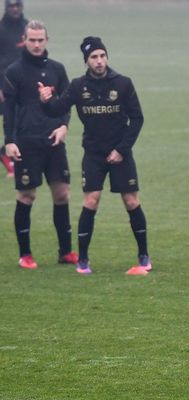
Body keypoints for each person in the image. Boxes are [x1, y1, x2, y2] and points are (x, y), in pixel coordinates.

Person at [39, 36, 151, 276]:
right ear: (86, 61)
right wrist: (45, 101)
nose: (99, 61)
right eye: (94, 57)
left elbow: (137, 119)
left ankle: (144, 255)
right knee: (91, 201)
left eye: (102, 56)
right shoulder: (78, 86)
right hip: (93, 155)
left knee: (131, 201)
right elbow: (57, 109)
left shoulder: (123, 83)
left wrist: (121, 150)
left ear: (107, 57)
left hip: (121, 153)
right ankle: (83, 260)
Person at [3, 20, 77, 269]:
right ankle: (25, 255)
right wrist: (9, 142)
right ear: (24, 40)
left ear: (47, 40)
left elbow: (67, 102)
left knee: (62, 193)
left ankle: (65, 252)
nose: (36, 44)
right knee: (27, 195)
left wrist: (64, 126)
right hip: (26, 142)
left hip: (53, 140)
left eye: (40, 40)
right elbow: (9, 109)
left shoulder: (57, 69)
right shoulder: (14, 71)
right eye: (31, 40)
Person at [0, 0, 28, 178]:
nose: (15, 9)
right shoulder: (1, 29)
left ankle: (6, 153)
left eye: (18, 5)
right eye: (12, 6)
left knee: (22, 123)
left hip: (24, 86)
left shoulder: (27, 28)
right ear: (6, 7)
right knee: (12, 121)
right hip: (4, 85)